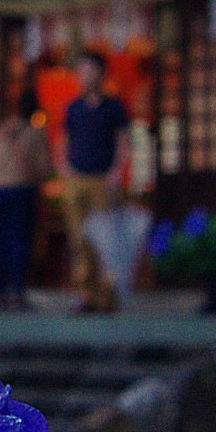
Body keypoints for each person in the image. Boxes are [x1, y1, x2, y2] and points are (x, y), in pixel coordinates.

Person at [59, 51, 131, 312]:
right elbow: (65, 140)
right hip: (76, 179)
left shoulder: (114, 106)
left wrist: (116, 172)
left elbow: (123, 142)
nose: (84, 75)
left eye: (89, 69)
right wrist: (65, 168)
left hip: (103, 179)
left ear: (101, 73)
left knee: (106, 239)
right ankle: (85, 294)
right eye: (81, 70)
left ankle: (107, 296)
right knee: (79, 239)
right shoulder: (73, 107)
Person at [0, 88, 55, 311]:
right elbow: (45, 168)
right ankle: (18, 293)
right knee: (19, 240)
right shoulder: (35, 133)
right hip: (21, 190)